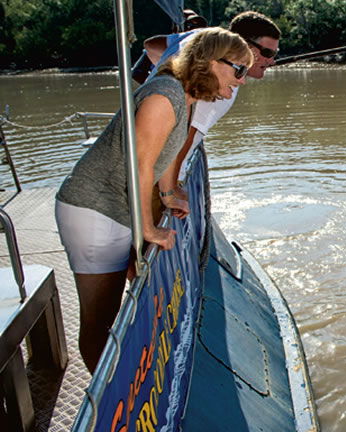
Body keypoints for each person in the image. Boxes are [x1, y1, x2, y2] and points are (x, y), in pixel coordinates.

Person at [55, 27, 253, 373]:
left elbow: (166, 154)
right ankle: (110, 412)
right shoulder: (164, 96)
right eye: (239, 69)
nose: (242, 81)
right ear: (209, 62)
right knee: (100, 319)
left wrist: (169, 193)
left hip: (117, 207)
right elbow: (140, 167)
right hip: (93, 210)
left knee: (114, 311)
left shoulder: (187, 96)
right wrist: (149, 229)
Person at [140, 11, 281, 198]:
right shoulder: (218, 82)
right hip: (154, 178)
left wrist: (173, 68)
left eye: (275, 54)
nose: (272, 61)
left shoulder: (195, 38)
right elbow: (185, 136)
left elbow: (151, 45)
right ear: (245, 45)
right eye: (267, 53)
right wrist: (171, 190)